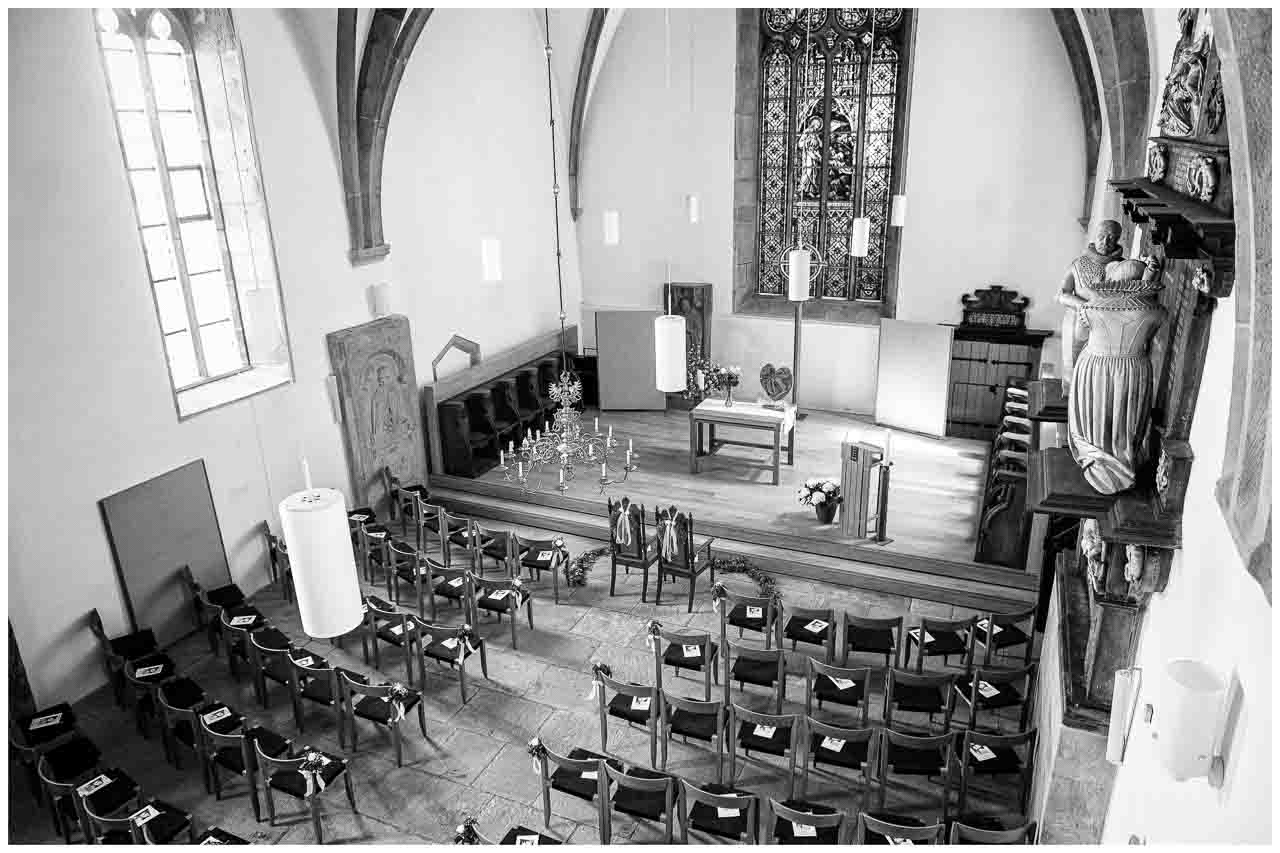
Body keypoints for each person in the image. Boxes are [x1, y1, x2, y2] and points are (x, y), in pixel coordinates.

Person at [1057, 220, 1124, 390]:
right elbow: (1061, 294)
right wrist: (1082, 305)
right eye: (1102, 237)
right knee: (1075, 369)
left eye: (1111, 238)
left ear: (1117, 240)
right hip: (1081, 321)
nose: (1105, 242)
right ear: (1095, 235)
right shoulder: (1079, 264)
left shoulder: (1121, 266)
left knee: (1102, 373)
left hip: (1109, 324)